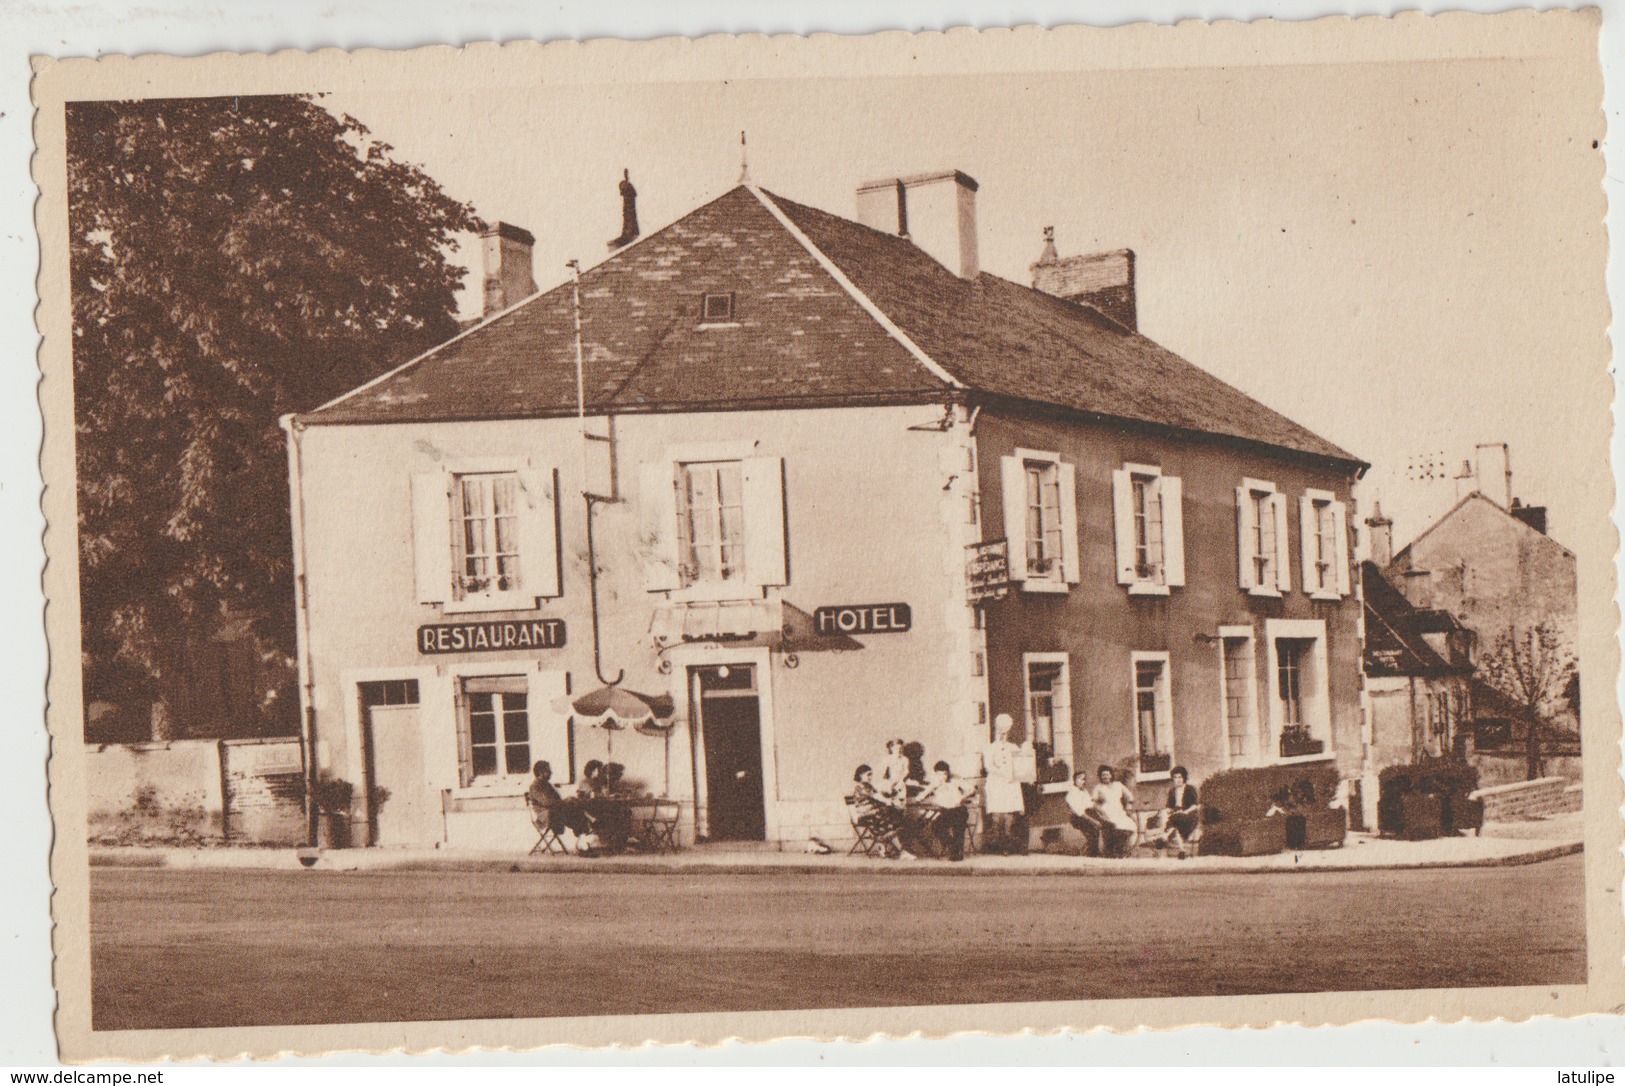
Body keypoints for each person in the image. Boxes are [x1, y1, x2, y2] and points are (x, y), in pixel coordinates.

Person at [983, 714, 1028, 855]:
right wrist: (1002, 772)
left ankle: (1007, 847)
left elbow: (1019, 765)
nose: (1003, 735)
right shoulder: (989, 748)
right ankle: (999, 844)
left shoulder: (1013, 747)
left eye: (1005, 732)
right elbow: (988, 766)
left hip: (1009, 784)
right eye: (1000, 731)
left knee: (1009, 817)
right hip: (996, 784)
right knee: (997, 817)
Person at [851, 764, 916, 859]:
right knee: (890, 817)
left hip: (873, 812)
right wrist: (888, 801)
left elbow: (877, 794)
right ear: (861, 775)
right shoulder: (861, 786)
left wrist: (888, 797)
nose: (870, 777)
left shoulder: (867, 786)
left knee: (892, 814)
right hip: (865, 815)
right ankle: (900, 850)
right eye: (868, 774)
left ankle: (886, 846)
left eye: (871, 775)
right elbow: (876, 796)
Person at [913, 760, 971, 861]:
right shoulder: (935, 782)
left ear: (948, 772)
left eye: (945, 774)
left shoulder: (955, 779)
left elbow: (972, 789)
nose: (943, 777)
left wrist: (962, 798)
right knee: (936, 826)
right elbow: (923, 794)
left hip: (959, 810)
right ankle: (953, 846)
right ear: (936, 774)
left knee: (958, 827)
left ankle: (957, 853)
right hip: (947, 811)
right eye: (940, 774)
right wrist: (918, 798)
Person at [526, 760, 594, 841]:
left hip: (553, 811)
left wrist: (567, 801)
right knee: (570, 807)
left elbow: (554, 801)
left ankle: (583, 832)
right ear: (541, 772)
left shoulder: (545, 784)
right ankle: (585, 831)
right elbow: (547, 802)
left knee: (573, 805)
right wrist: (566, 801)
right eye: (548, 770)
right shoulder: (535, 786)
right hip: (545, 815)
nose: (551, 772)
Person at [1091, 764, 1139, 858]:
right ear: (1100, 776)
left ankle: (1123, 851)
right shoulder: (1098, 788)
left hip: (1119, 811)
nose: (1105, 777)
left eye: (1107, 774)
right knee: (1114, 828)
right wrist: (1100, 811)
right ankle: (1114, 852)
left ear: (1111, 775)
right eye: (1103, 775)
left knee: (1131, 826)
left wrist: (1128, 806)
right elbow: (1093, 803)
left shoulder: (1118, 785)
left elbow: (1130, 797)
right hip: (1106, 812)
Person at [1153, 766, 1200, 857]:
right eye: (1175, 777)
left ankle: (1164, 837)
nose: (1178, 780)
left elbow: (1195, 805)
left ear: (1184, 778)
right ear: (1172, 779)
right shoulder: (1172, 791)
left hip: (1190, 816)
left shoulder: (1190, 789)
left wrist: (1185, 812)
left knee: (1174, 821)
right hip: (1176, 818)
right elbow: (1169, 807)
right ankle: (1182, 851)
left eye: (1180, 777)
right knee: (1174, 827)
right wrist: (1166, 811)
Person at [1064, 769, 1108, 856]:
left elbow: (1091, 805)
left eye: (1084, 779)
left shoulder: (1084, 792)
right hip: (1078, 818)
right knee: (1093, 830)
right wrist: (1094, 821)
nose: (1083, 781)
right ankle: (1092, 853)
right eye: (1080, 779)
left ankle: (1102, 851)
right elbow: (1080, 812)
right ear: (1074, 780)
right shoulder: (1071, 794)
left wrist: (1103, 813)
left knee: (1106, 824)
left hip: (1088, 814)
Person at [877, 739, 911, 806]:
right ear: (891, 749)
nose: (899, 750)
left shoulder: (905, 759)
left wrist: (900, 781)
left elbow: (906, 772)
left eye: (901, 748)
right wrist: (887, 781)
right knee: (886, 793)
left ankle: (900, 808)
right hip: (890, 781)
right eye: (896, 748)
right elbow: (883, 772)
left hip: (901, 781)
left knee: (900, 799)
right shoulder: (887, 759)